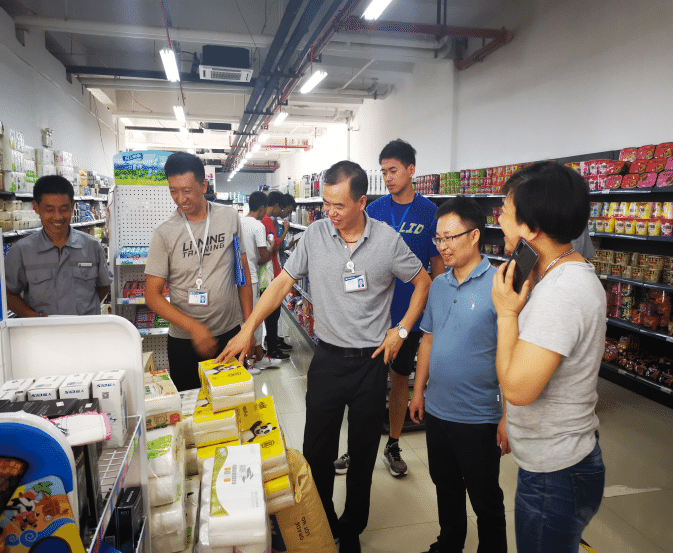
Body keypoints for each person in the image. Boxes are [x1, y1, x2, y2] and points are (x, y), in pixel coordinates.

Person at [216, 160, 431, 553]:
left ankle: (351, 530)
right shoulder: (315, 234)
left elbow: (422, 282)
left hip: (370, 363)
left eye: (338, 205)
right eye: (326, 204)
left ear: (361, 202)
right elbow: (281, 284)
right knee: (317, 452)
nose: (329, 212)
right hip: (328, 360)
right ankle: (323, 521)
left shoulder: (387, 241)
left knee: (363, 454)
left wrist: (401, 330)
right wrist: (249, 328)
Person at [491, 161, 606, 553]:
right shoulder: (555, 275)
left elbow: (519, 389)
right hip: (556, 465)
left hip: (556, 475)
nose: (499, 219)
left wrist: (506, 314)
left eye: (505, 212)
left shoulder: (562, 292)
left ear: (532, 227)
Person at [335, 139, 443, 478]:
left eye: (393, 171)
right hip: (372, 314)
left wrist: (436, 314)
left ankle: (393, 444)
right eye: (383, 172)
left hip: (409, 316)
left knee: (399, 381)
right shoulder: (374, 210)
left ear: (411, 170)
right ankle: (355, 448)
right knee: (363, 386)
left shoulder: (429, 212)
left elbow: (437, 268)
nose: (388, 178)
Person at [409, 196, 508, 553]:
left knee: (485, 498)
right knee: (445, 485)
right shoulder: (439, 284)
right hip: (438, 410)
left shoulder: (500, 285)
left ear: (474, 235)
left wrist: (509, 416)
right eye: (438, 238)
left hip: (479, 415)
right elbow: (428, 340)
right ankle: (449, 544)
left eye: (450, 237)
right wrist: (418, 392)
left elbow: (510, 355)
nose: (443, 246)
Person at [144, 152, 253, 391]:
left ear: (203, 186)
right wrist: (194, 328)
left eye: (187, 190)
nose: (180, 199)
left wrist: (248, 327)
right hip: (185, 342)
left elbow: (242, 273)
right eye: (173, 191)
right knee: (191, 406)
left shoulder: (229, 217)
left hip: (230, 335)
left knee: (233, 401)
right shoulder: (164, 232)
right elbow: (152, 295)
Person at [5, 175, 111, 317]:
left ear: (72, 206)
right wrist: (33, 317)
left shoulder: (92, 246)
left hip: (84, 328)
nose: (58, 217)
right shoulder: (21, 251)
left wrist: (86, 310)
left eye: (64, 209)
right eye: (49, 210)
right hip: (43, 330)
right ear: (36, 207)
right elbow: (9, 294)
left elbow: (104, 285)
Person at [240, 191, 275, 370]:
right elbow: (263, 256)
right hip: (252, 277)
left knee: (243, 319)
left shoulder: (239, 221)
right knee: (255, 318)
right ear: (261, 208)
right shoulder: (258, 226)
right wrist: (272, 246)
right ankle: (249, 361)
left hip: (239, 278)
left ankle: (257, 356)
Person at [260, 190, 291, 359]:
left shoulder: (264, 220)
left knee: (272, 311)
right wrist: (286, 231)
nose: (282, 212)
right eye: (282, 209)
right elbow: (275, 245)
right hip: (270, 273)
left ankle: (272, 341)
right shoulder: (267, 221)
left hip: (268, 272)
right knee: (273, 311)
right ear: (277, 206)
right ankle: (272, 347)